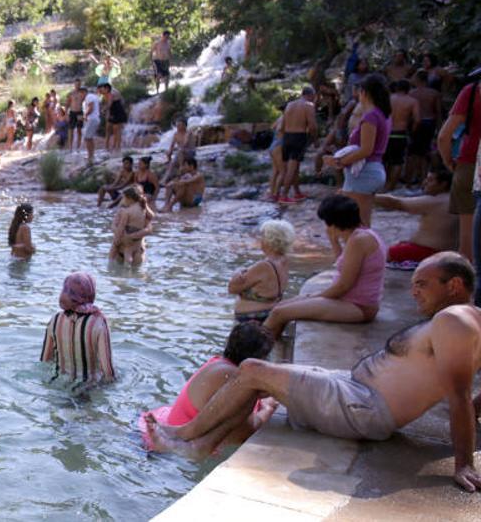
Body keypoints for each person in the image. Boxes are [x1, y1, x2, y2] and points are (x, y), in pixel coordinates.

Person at [145, 253, 481, 495]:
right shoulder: (472, 320)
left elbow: (460, 395)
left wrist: (463, 463)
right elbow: (472, 398)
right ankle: (201, 444)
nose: (413, 291)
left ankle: (185, 435)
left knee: (250, 370)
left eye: (422, 284)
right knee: (262, 379)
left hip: (363, 406)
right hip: (353, 390)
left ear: (453, 285)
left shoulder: (453, 320)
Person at [138, 322, 277, 451]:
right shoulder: (235, 379)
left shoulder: (217, 362)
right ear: (258, 359)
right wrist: (267, 409)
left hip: (170, 422)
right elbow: (244, 432)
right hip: (183, 442)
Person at [262, 195, 385, 340]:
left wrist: (316, 296)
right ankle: (271, 347)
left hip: (358, 306)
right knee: (279, 306)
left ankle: (255, 354)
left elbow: (343, 286)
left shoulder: (359, 240)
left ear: (333, 223)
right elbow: (342, 265)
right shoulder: (361, 235)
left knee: (279, 313)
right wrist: (334, 240)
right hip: (350, 301)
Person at [325, 75, 391, 227]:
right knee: (363, 222)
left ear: (364, 93)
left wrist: (338, 161)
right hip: (372, 170)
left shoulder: (371, 116)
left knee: (355, 223)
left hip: (364, 173)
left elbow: (366, 150)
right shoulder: (383, 114)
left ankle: (361, 250)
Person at [437, 70, 481, 267]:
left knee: (468, 236)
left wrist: (449, 161)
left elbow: (444, 136)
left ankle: (469, 290)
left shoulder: (471, 91)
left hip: (470, 163)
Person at [41, 272, 115, 384]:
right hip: (89, 389)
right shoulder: (98, 322)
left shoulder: (55, 320)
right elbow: (108, 372)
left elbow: (44, 361)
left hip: (59, 384)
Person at [375, 168, 456, 267]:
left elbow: (397, 203)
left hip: (430, 251)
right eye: (426, 179)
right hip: (440, 250)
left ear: (443, 184)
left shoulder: (436, 201)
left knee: (382, 255)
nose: (425, 183)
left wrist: (367, 196)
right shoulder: (453, 199)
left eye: (430, 180)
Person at [229, 220, 295, 323]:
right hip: (268, 312)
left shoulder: (264, 266)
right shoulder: (284, 260)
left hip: (251, 318)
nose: (260, 240)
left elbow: (232, 288)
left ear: (269, 240)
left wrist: (236, 272)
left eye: (262, 236)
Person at [275, 87, 318, 203]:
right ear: (310, 95)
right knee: (292, 168)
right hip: (299, 136)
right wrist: (315, 140)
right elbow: (312, 126)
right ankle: (284, 195)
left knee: (293, 167)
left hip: (287, 136)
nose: (315, 98)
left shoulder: (289, 105)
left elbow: (281, 126)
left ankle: (295, 192)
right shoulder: (308, 105)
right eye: (314, 96)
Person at [384, 79, 420, 191]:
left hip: (386, 133)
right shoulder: (412, 101)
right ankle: (391, 187)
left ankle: (383, 185)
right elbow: (417, 119)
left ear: (396, 88)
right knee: (397, 161)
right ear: (408, 89)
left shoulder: (388, 99)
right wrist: (412, 131)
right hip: (400, 133)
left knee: (384, 160)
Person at [110, 185, 153, 265]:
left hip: (131, 247)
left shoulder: (129, 211)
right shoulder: (140, 210)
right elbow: (114, 226)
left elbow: (149, 229)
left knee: (115, 254)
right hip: (129, 247)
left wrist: (128, 236)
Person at [82, 87, 102, 166]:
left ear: (83, 92)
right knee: (89, 138)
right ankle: (91, 154)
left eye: (81, 94)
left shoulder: (89, 97)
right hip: (95, 119)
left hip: (92, 119)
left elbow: (91, 107)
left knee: (87, 138)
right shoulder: (93, 96)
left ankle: (90, 156)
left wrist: (85, 115)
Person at [65, 80, 86, 151]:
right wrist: (66, 114)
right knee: (71, 130)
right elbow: (67, 104)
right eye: (76, 84)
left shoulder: (83, 93)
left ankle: (78, 147)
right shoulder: (71, 93)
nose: (78, 86)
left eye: (79, 84)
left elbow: (87, 102)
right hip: (72, 112)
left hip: (80, 112)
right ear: (74, 85)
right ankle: (70, 147)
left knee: (79, 129)